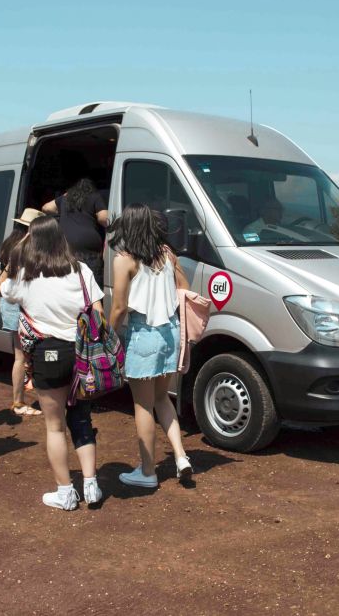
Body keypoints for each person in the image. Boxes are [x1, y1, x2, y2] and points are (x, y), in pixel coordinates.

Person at [0, 215, 104, 510]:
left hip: (48, 354)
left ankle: (65, 493)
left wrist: (17, 252)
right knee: (82, 421)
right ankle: (92, 486)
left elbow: (2, 290)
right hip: (82, 354)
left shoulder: (26, 275)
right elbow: (97, 312)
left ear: (32, 240)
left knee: (55, 427)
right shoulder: (81, 270)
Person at [108, 204, 193, 488]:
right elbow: (185, 286)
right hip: (170, 332)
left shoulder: (124, 259)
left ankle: (147, 472)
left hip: (143, 333)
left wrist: (107, 334)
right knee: (162, 399)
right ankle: (181, 456)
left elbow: (119, 307)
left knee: (143, 405)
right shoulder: (167, 254)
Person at [0, 208, 44, 417]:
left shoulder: (8, 244)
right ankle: (19, 401)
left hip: (8, 303)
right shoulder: (25, 248)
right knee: (25, 356)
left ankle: (19, 400)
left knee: (20, 356)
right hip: (20, 304)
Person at [42, 178, 109, 286]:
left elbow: (46, 208)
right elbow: (104, 218)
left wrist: (62, 211)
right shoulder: (95, 196)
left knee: (70, 286)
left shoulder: (66, 198)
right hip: (89, 253)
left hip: (67, 252)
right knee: (91, 286)